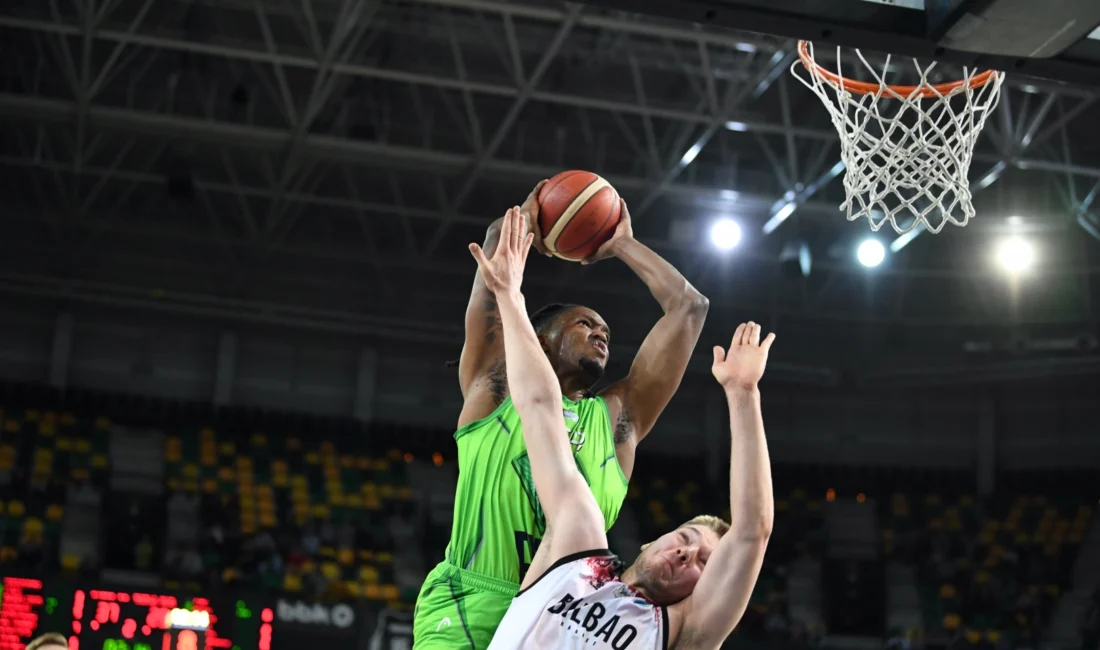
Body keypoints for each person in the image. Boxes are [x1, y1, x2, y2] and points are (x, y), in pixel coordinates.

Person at [413, 185, 710, 649]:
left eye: (606, 331)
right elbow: (496, 259)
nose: (601, 334)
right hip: (471, 598)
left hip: (565, 615)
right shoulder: (496, 385)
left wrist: (621, 244)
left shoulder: (616, 421)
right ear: (541, 336)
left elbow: (690, 308)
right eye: (585, 323)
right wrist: (532, 215)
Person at [474, 207, 774, 650]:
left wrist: (743, 394)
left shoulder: (682, 631)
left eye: (702, 563)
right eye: (687, 540)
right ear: (656, 538)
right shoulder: (577, 542)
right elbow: (539, 407)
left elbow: (753, 529)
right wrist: (509, 297)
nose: (685, 553)